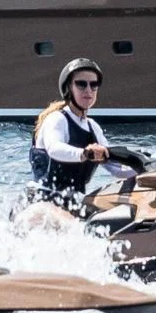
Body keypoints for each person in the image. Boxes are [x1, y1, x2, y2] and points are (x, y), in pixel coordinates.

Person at [27, 58, 137, 204]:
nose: (88, 90)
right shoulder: (56, 119)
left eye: (94, 85)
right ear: (68, 88)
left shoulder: (94, 128)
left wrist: (152, 164)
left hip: (72, 203)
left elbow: (118, 169)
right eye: (81, 84)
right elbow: (54, 149)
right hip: (41, 201)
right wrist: (84, 153)